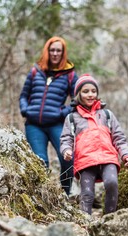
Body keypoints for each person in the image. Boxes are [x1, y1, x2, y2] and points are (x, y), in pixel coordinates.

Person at [60, 74, 128, 215]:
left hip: (108, 158)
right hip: (85, 161)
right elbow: (66, 138)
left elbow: (119, 137)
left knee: (112, 183)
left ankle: (109, 217)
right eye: (85, 91)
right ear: (78, 94)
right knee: (87, 194)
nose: (90, 94)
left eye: (93, 91)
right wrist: (66, 150)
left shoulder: (107, 115)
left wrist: (125, 153)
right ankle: (85, 224)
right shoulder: (72, 118)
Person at [19, 36, 78, 195]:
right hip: (34, 125)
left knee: (68, 158)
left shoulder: (70, 75)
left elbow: (77, 101)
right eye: (52, 50)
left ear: (63, 52)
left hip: (56, 124)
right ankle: (41, 196)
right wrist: (26, 110)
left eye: (58, 50)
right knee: (41, 161)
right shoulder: (35, 71)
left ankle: (65, 194)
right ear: (47, 51)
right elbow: (23, 95)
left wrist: (62, 113)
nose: (55, 53)